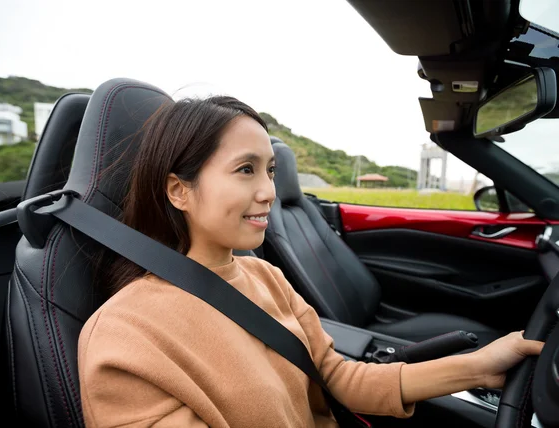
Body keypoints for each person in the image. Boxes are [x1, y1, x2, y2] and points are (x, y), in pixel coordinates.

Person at [77, 96, 544, 428]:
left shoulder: (264, 276)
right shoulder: (125, 337)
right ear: (179, 190)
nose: (268, 192)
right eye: (245, 170)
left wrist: (479, 366)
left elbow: (340, 377)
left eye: (270, 170)